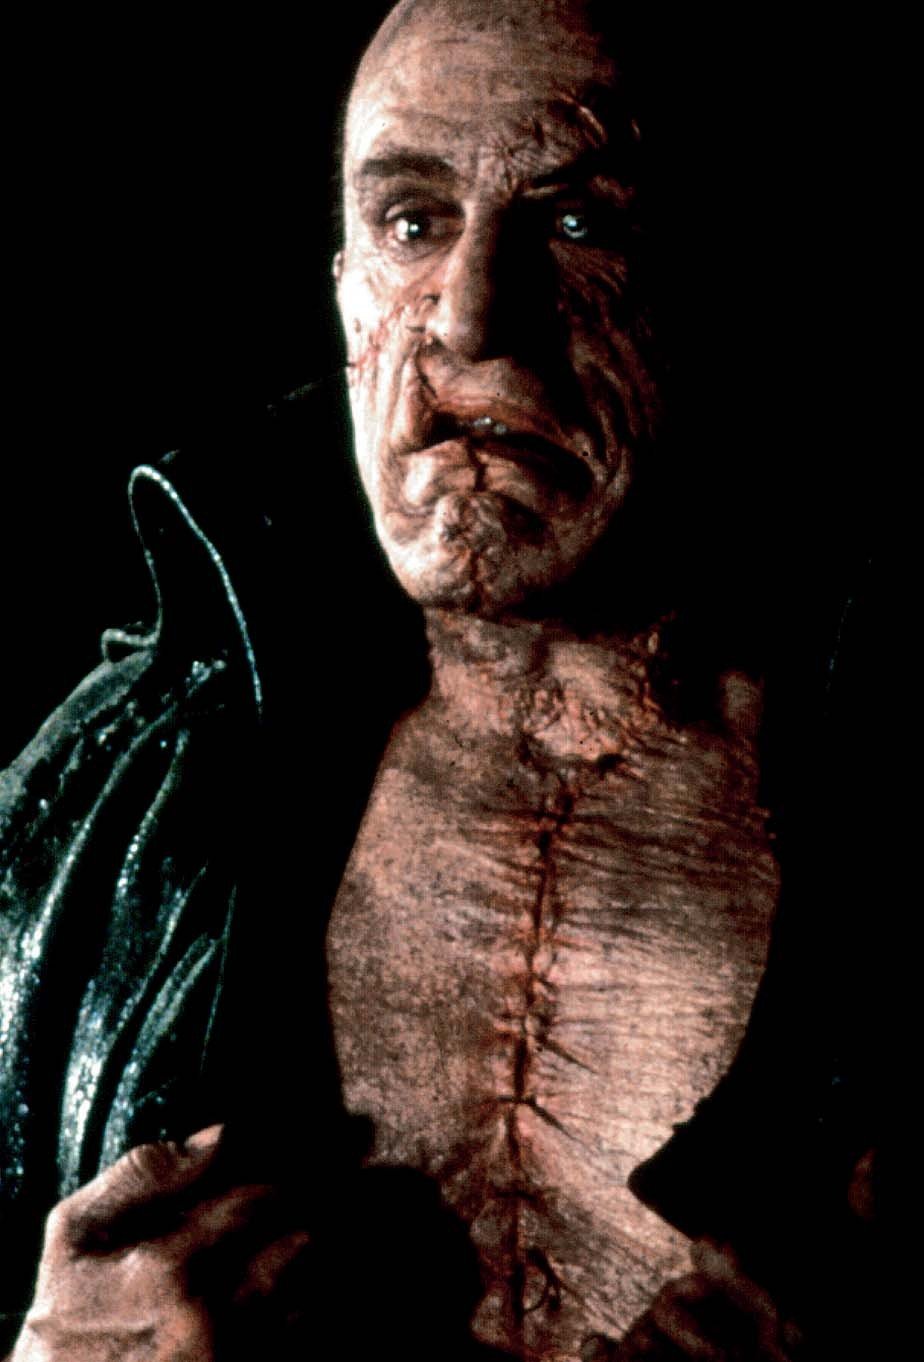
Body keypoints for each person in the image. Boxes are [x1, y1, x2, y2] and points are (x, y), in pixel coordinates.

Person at [1, 2, 883, 1358]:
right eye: (411, 224)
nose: (471, 318)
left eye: (579, 224)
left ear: (725, 281)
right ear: (344, 285)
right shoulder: (118, 788)